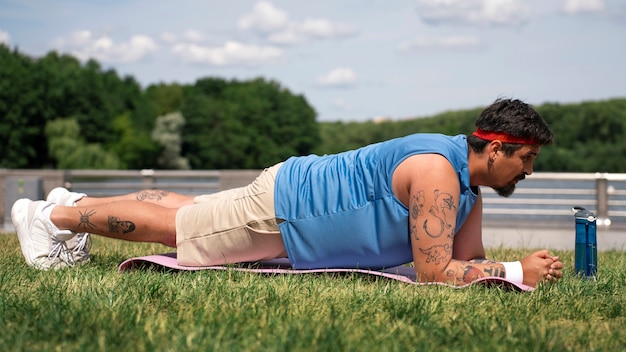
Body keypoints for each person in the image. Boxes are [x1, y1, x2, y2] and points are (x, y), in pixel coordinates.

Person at [12, 98, 564, 288]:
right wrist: (516, 273)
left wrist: (504, 267)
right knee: (179, 230)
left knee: (194, 210)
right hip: (291, 213)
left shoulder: (467, 189)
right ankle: (52, 218)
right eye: (527, 159)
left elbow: (463, 262)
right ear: (495, 149)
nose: (530, 171)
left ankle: (75, 202)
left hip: (293, 198)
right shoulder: (440, 174)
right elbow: (434, 270)